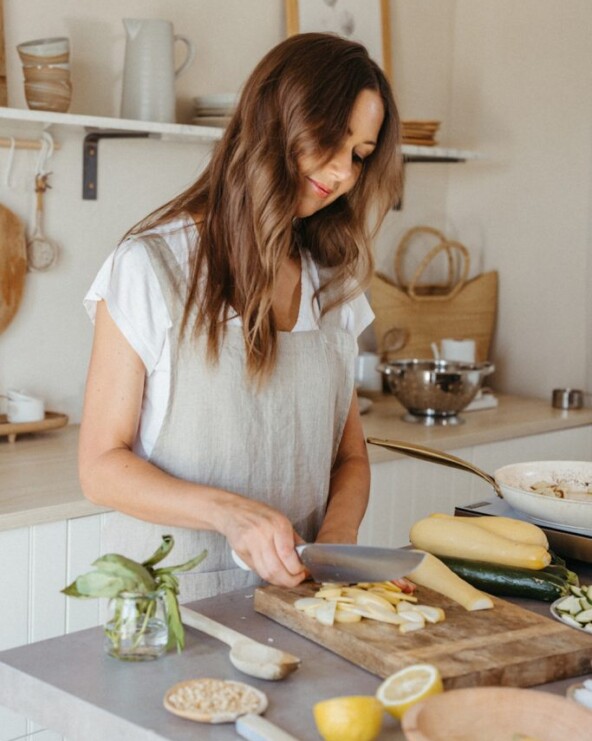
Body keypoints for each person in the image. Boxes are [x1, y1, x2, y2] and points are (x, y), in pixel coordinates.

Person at [79, 32, 403, 602]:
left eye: (360, 155)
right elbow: (101, 466)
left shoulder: (334, 287)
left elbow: (350, 457)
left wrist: (336, 545)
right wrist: (230, 514)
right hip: (169, 611)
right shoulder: (152, 267)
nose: (344, 171)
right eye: (334, 138)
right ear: (276, 116)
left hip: (301, 605)